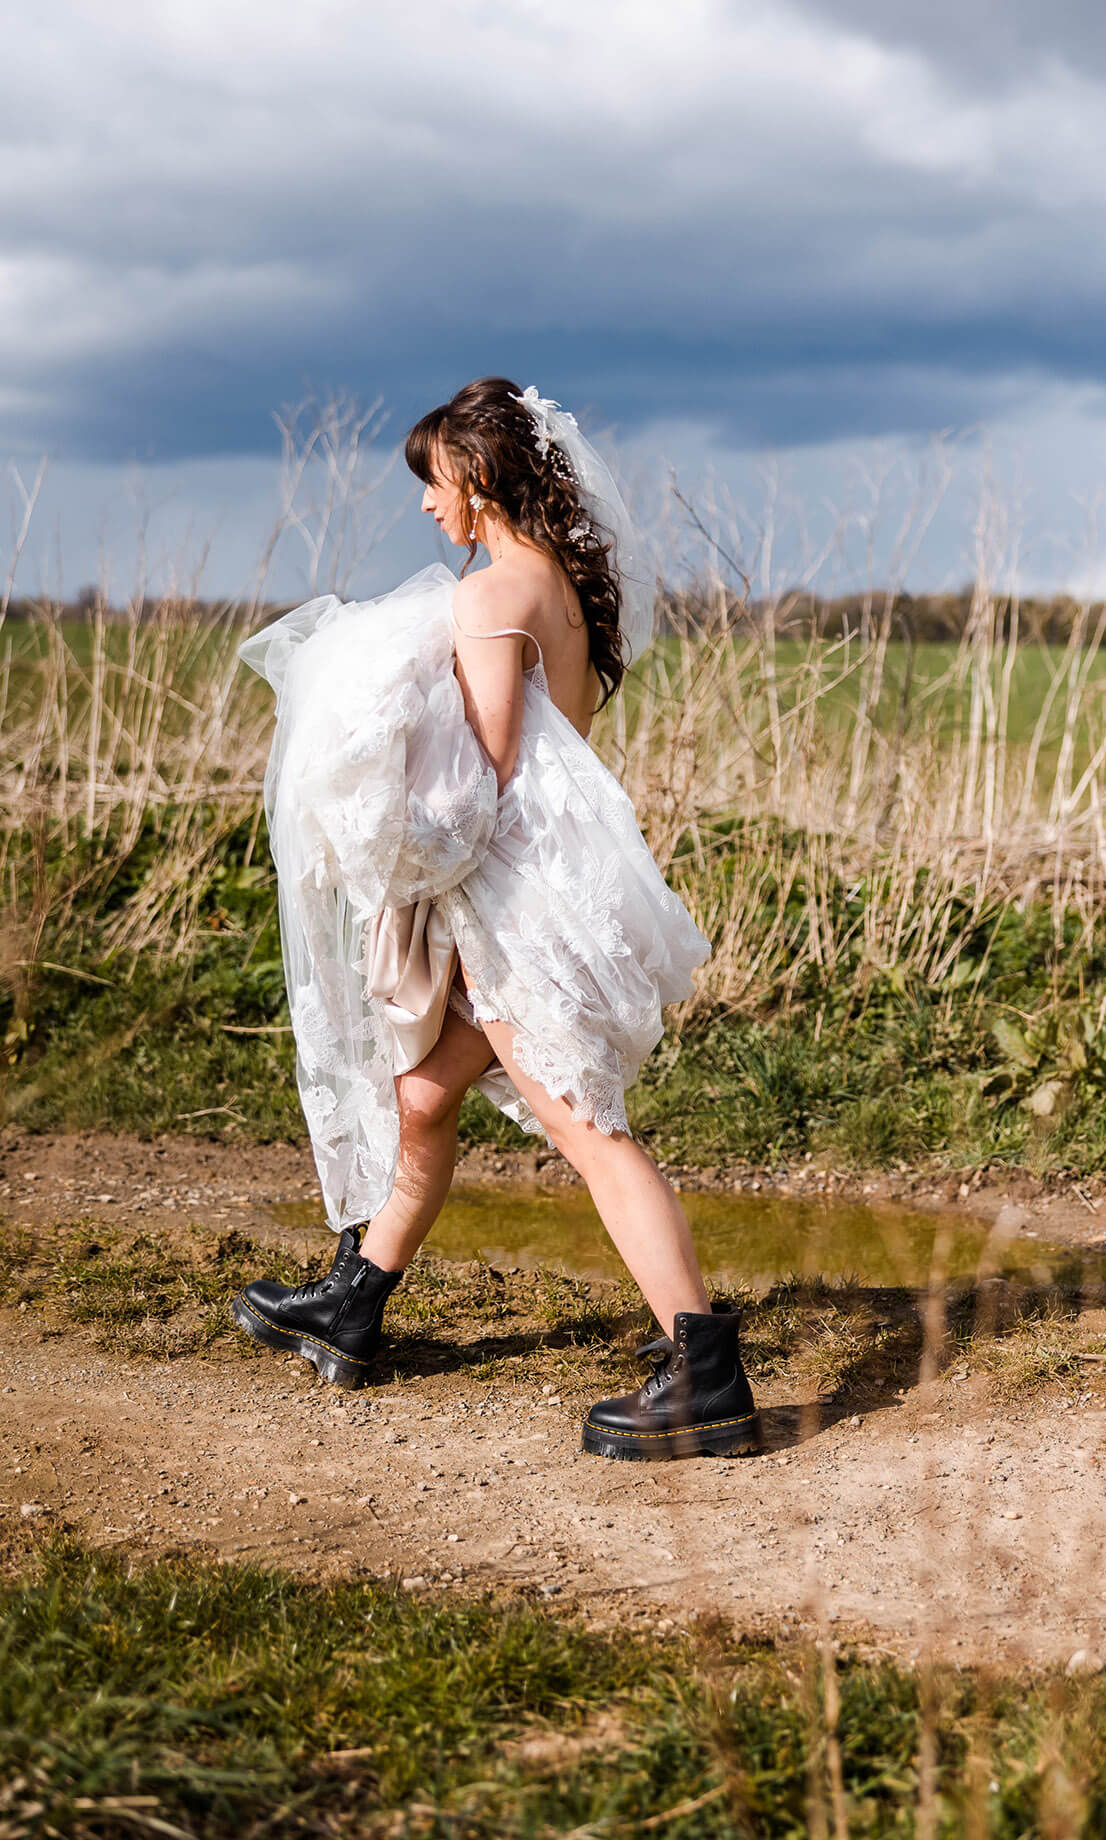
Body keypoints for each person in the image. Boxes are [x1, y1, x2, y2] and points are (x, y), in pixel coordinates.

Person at [232, 377, 757, 1459]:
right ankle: (355, 1304)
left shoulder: (486, 597)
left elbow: (484, 787)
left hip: (514, 906)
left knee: (588, 1128)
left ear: (474, 476)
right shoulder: (558, 581)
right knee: (420, 1097)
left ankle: (705, 1367)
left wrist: (374, 817)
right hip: (549, 882)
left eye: (432, 480)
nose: (426, 505)